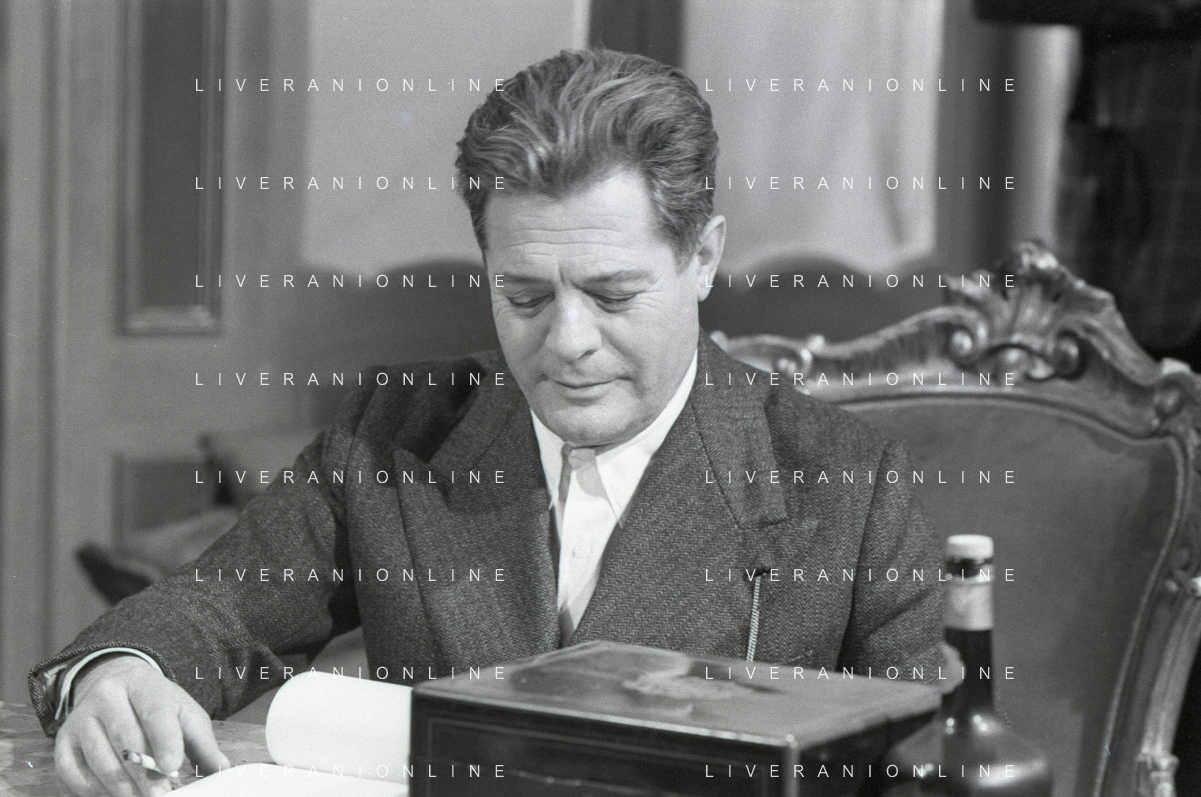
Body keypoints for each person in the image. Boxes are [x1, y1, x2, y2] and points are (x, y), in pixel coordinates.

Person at [30, 48, 944, 797]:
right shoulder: (398, 430)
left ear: (700, 257)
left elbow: (918, 774)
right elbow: (217, 607)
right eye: (525, 296)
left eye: (611, 294)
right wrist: (119, 672)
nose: (567, 342)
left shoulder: (845, 487)